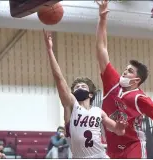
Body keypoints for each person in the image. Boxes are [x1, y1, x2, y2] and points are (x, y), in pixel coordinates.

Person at [95, 0, 153, 158]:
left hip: (133, 146)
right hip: (113, 148)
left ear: (136, 80)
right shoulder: (113, 83)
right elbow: (101, 49)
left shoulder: (140, 98)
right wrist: (102, 18)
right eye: (125, 69)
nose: (124, 72)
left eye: (129, 71)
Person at [43, 29, 127, 158]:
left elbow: (118, 130)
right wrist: (49, 50)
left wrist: (120, 127)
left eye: (83, 86)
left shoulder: (99, 111)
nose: (79, 88)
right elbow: (59, 79)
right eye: (76, 87)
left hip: (100, 156)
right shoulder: (71, 106)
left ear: (91, 94)